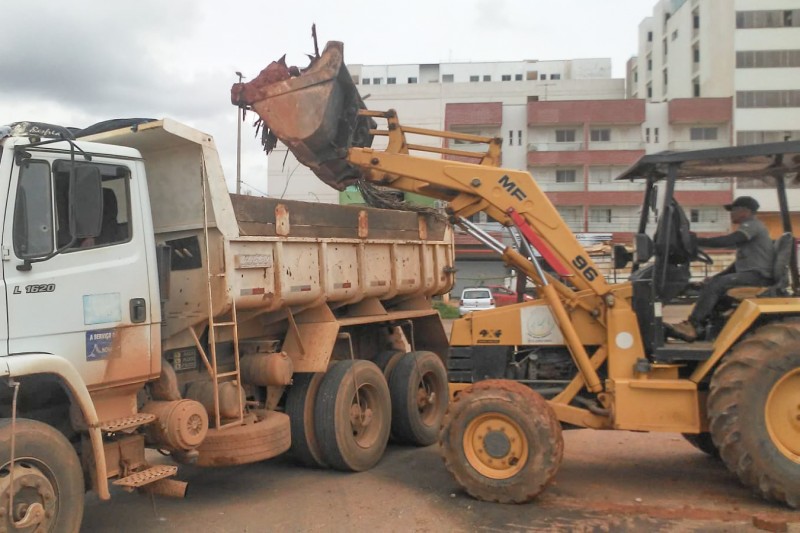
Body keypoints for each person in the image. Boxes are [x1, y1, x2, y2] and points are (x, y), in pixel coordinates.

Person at [670, 196, 774, 341]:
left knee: (716, 285)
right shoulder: (750, 231)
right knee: (713, 283)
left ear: (745, 211)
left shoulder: (752, 225)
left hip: (758, 276)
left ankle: (693, 325)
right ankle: (706, 329)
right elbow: (737, 266)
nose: (731, 214)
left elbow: (728, 240)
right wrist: (717, 277)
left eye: (734, 210)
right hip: (751, 274)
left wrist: (696, 241)